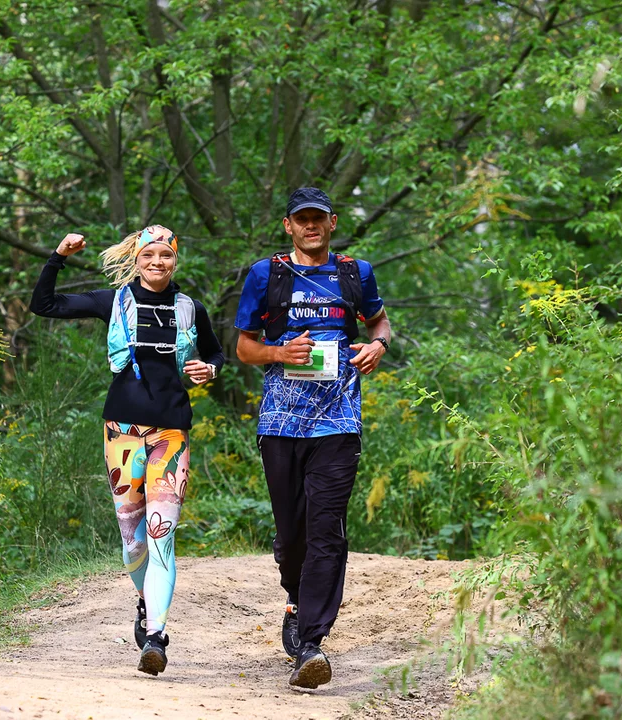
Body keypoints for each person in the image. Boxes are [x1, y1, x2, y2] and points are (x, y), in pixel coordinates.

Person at [29, 225, 224, 676]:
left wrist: (208, 369)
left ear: (176, 260)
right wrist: (58, 255)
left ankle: (155, 636)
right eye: (149, 255)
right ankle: (143, 601)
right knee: (133, 542)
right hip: (121, 431)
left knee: (161, 534)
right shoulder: (114, 301)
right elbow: (45, 305)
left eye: (166, 256)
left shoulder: (190, 309)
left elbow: (216, 354)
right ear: (136, 259)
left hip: (171, 433)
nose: (157, 262)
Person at [234, 187, 391, 689]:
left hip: (339, 422)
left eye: (318, 219)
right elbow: (243, 347)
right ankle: (295, 599)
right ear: (288, 226)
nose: (310, 227)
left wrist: (378, 344)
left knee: (327, 530)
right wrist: (279, 355)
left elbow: (379, 320)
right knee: (291, 535)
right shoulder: (267, 274)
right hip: (280, 423)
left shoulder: (354, 272)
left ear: (332, 223)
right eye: (302, 220)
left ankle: (311, 643)